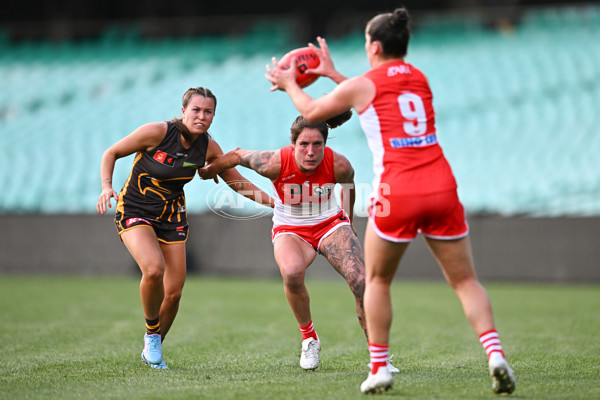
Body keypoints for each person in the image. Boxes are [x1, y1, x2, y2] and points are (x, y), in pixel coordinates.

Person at [265, 7, 516, 395]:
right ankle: (495, 354)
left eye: (366, 42)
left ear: (375, 46)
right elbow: (374, 94)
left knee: (376, 280)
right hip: (442, 186)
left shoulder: (366, 82)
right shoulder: (419, 79)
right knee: (465, 280)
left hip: (398, 190)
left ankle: (379, 367)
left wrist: (288, 83)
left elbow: (314, 111)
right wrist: (333, 74)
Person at [96, 87, 274, 370]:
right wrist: (106, 186)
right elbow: (112, 152)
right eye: (196, 110)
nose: (202, 116)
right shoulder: (157, 133)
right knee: (154, 269)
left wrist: (277, 204)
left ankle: (152, 343)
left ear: (214, 116)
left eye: (208, 112)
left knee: (175, 292)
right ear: (183, 111)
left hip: (171, 217)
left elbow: (237, 183)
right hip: (135, 210)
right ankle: (152, 332)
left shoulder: (208, 148)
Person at [198, 111, 386, 372]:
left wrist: (349, 222)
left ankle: (379, 358)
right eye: (304, 145)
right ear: (293, 145)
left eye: (317, 145)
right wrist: (210, 170)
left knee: (361, 281)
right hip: (291, 227)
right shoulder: (274, 162)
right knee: (292, 273)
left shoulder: (339, 164)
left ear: (325, 144)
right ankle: (309, 338)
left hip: (330, 224)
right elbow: (237, 155)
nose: (310, 152)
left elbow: (349, 186)